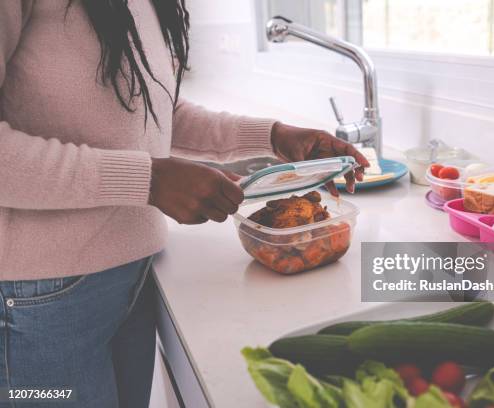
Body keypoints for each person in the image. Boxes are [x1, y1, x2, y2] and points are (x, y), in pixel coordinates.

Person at [0, 1, 369, 407]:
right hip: (39, 301)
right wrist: (150, 179)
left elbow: (154, 110)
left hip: (133, 276)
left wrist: (274, 135)